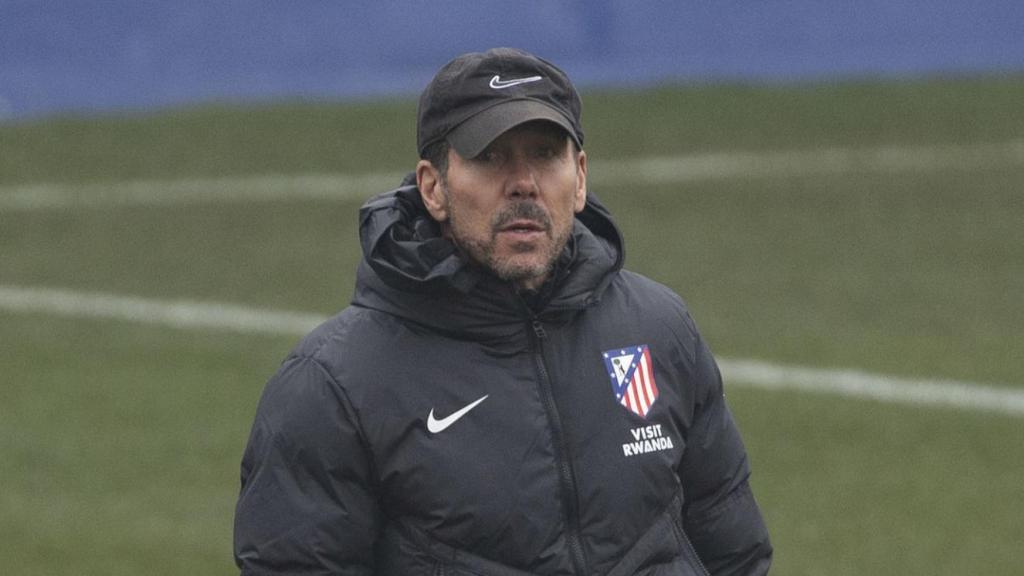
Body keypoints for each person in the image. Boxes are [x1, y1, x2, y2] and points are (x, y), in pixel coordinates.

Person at [234, 47, 772, 575]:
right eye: (490, 157)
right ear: (433, 188)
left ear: (580, 177)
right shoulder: (335, 384)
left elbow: (734, 550)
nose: (523, 183)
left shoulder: (658, 328)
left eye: (545, 153)